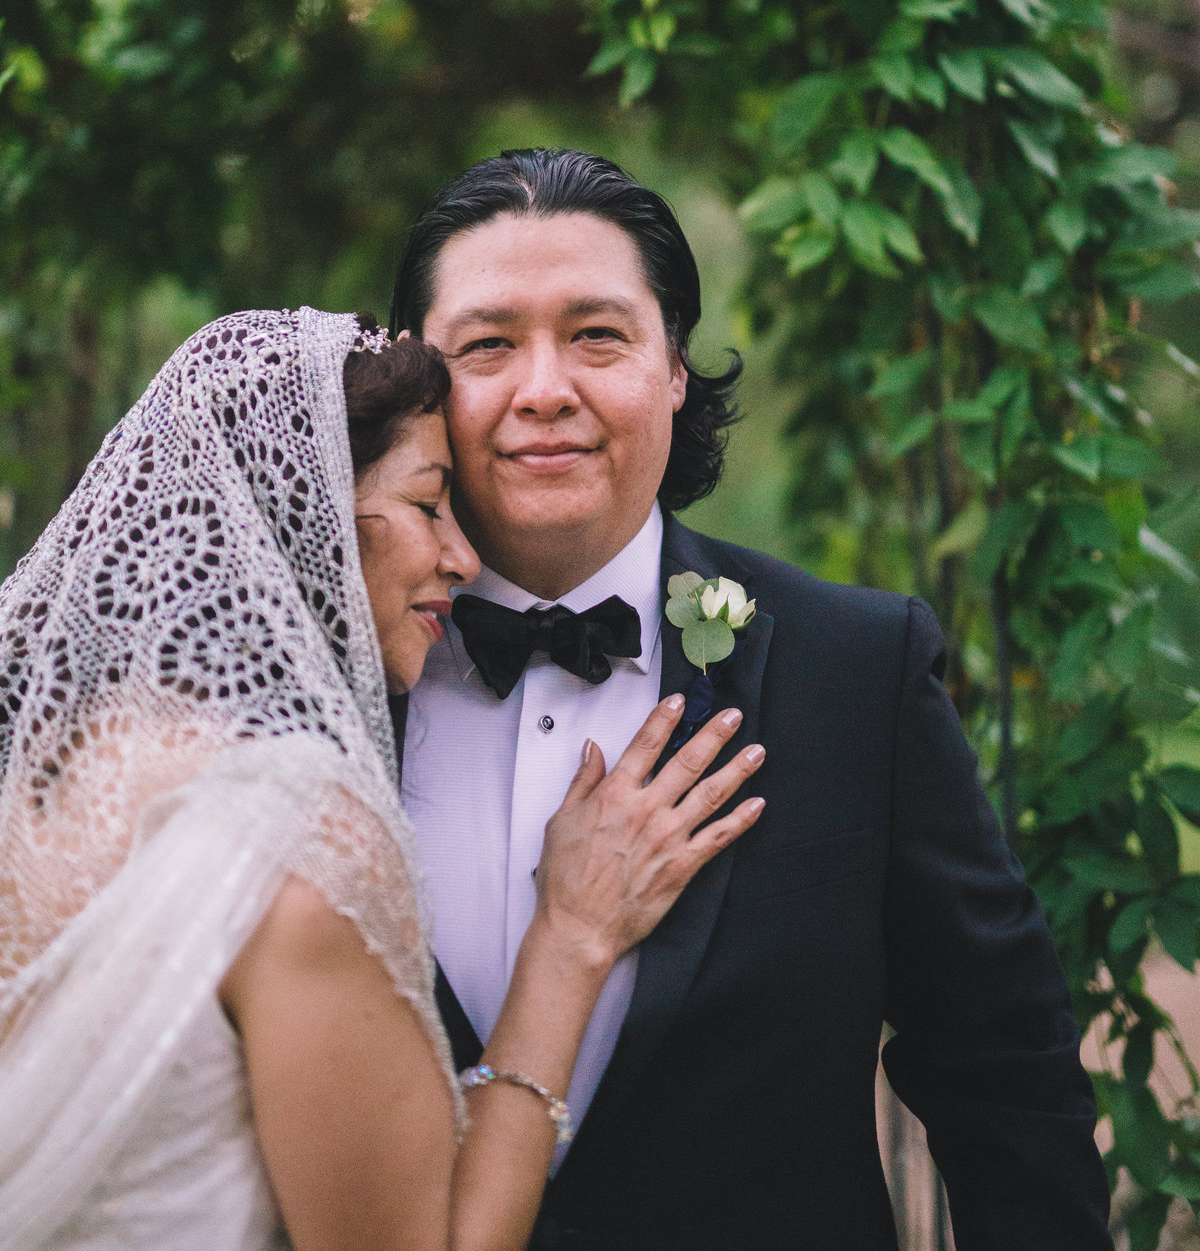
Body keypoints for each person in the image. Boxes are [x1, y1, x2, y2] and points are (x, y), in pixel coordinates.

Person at [390, 147, 1116, 1251]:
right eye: (489, 344)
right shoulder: (323, 684)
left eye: (597, 334)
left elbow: (1004, 1076)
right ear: (420, 384)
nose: (545, 387)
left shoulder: (857, 669)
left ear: (675, 368)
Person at [0, 307, 765, 1251]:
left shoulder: (61, 776)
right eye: (426, 504)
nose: (462, 555)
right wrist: (570, 937)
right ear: (305, 517)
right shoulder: (296, 836)